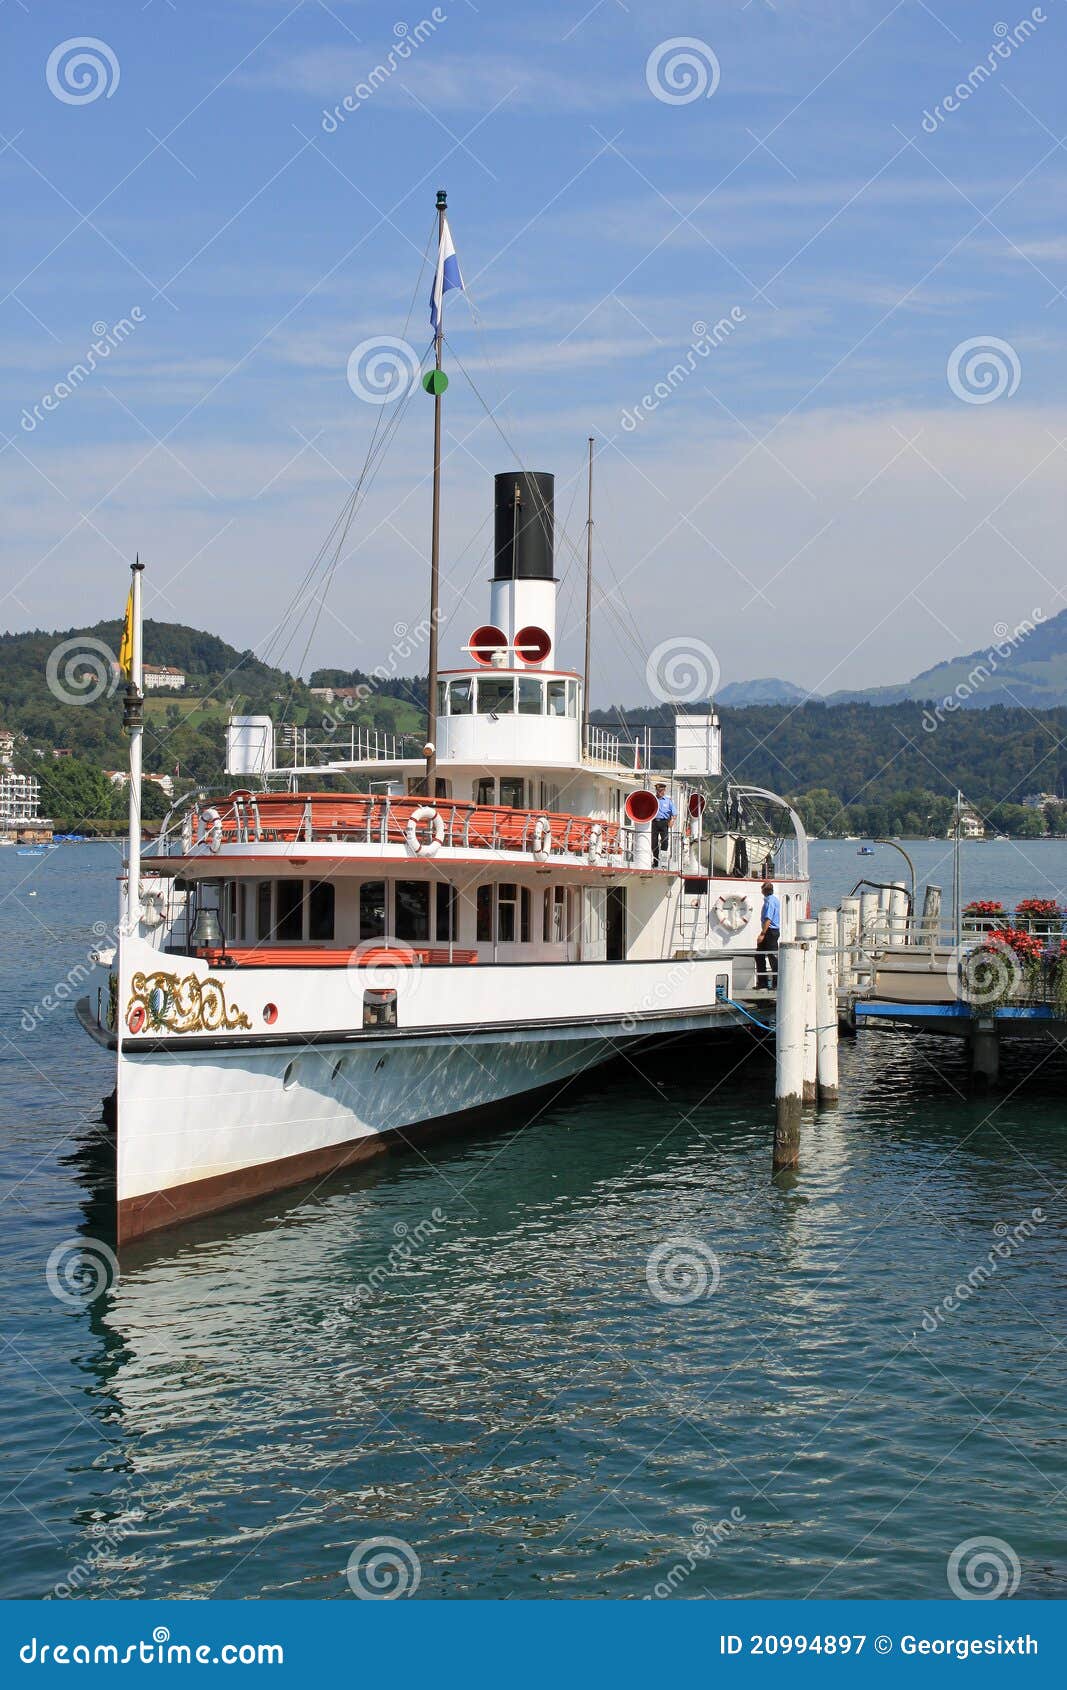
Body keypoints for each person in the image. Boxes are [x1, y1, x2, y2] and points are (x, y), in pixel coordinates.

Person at [756, 878, 780, 987]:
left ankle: (774, 983)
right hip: (772, 931)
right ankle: (763, 982)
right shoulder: (774, 899)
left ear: (764, 891)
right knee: (760, 955)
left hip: (770, 932)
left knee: (771, 957)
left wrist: (762, 934)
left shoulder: (769, 902)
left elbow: (768, 919)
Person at [652, 782, 676, 867]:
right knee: (654, 843)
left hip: (664, 822)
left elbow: (674, 813)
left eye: (661, 791)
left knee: (665, 842)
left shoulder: (668, 801)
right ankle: (655, 862)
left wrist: (672, 820)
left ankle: (663, 862)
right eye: (658, 791)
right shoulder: (653, 799)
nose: (660, 792)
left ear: (664, 791)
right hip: (654, 822)